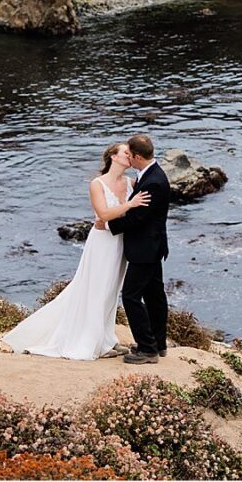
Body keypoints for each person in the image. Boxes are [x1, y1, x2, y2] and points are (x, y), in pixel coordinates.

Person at [2, 143, 152, 359]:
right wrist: (130, 205)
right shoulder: (97, 184)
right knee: (96, 289)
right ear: (113, 156)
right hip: (102, 244)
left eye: (131, 153)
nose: (130, 156)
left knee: (111, 291)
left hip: (121, 242)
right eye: (125, 153)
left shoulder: (131, 182)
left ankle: (106, 338)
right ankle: (92, 342)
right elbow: (103, 214)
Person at [107, 134, 171, 364]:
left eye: (129, 155)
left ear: (137, 156)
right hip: (153, 246)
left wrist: (108, 224)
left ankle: (147, 349)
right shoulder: (151, 174)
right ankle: (158, 343)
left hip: (145, 248)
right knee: (154, 295)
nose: (128, 159)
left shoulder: (153, 182)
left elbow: (138, 218)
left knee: (131, 296)